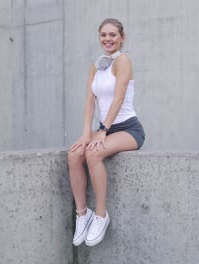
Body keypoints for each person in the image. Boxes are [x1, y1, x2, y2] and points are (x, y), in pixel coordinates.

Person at [68, 18, 145, 247]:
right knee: (74, 154)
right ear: (99, 37)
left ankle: (101, 215)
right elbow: (89, 102)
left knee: (93, 154)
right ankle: (83, 215)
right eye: (103, 35)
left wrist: (102, 130)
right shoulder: (96, 65)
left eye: (113, 35)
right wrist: (85, 134)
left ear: (122, 37)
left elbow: (119, 98)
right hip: (104, 129)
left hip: (128, 128)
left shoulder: (123, 61)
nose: (108, 39)